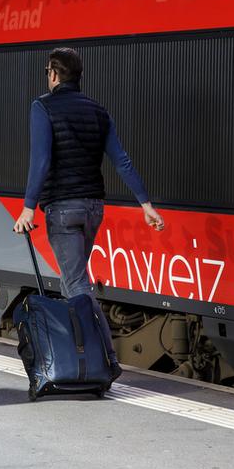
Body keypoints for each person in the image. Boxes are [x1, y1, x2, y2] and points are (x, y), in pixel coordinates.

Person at [13, 47, 164, 379]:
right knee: (77, 282)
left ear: (53, 73)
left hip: (63, 209)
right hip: (94, 207)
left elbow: (40, 161)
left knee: (77, 284)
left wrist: (27, 208)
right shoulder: (97, 110)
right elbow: (121, 160)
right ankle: (85, 360)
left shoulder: (43, 106)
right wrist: (146, 205)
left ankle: (104, 361)